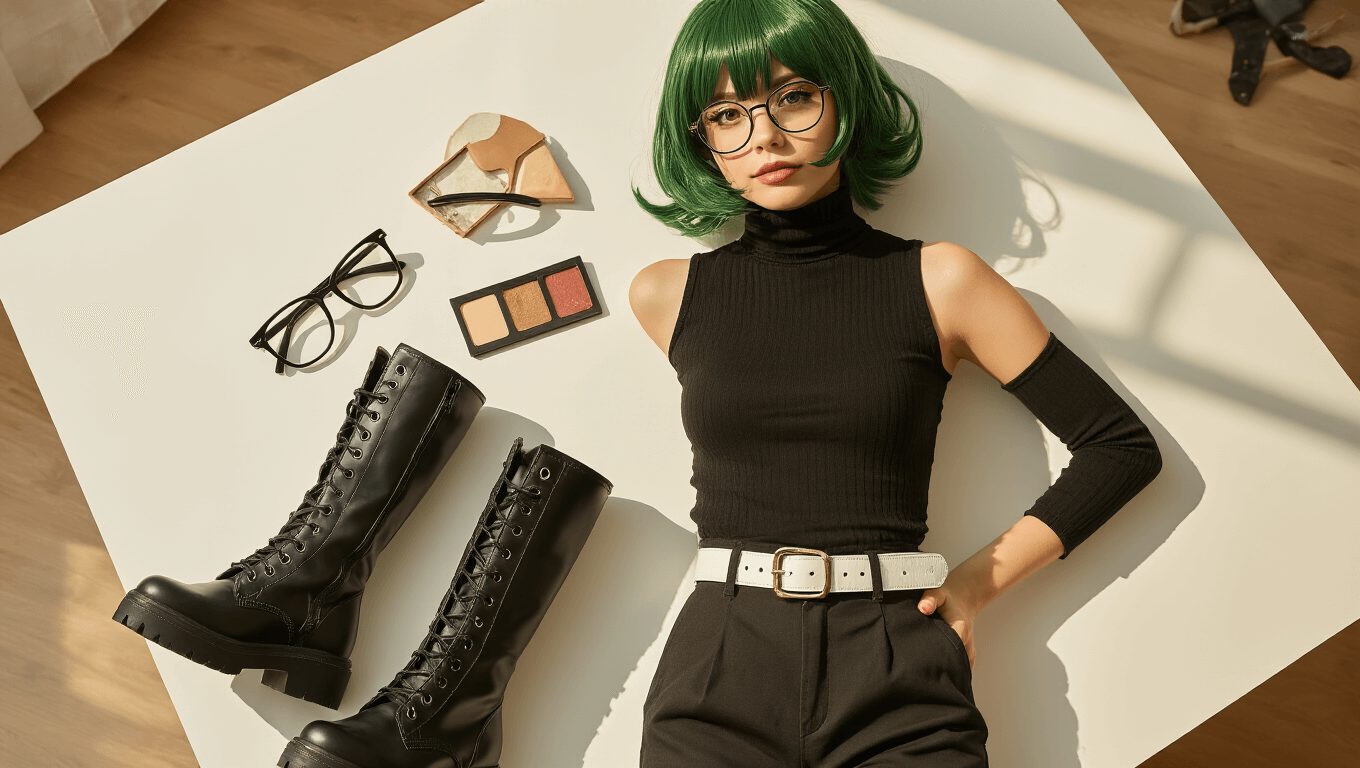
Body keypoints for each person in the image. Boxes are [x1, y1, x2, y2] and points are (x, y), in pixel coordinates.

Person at [627, 1, 1164, 766]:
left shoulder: (942, 280)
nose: (765, 138)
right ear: (703, 142)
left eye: (793, 97)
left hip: (894, 663)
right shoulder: (667, 295)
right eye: (725, 114)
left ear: (842, 99)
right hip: (719, 660)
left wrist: (975, 586)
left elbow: (1119, 447)